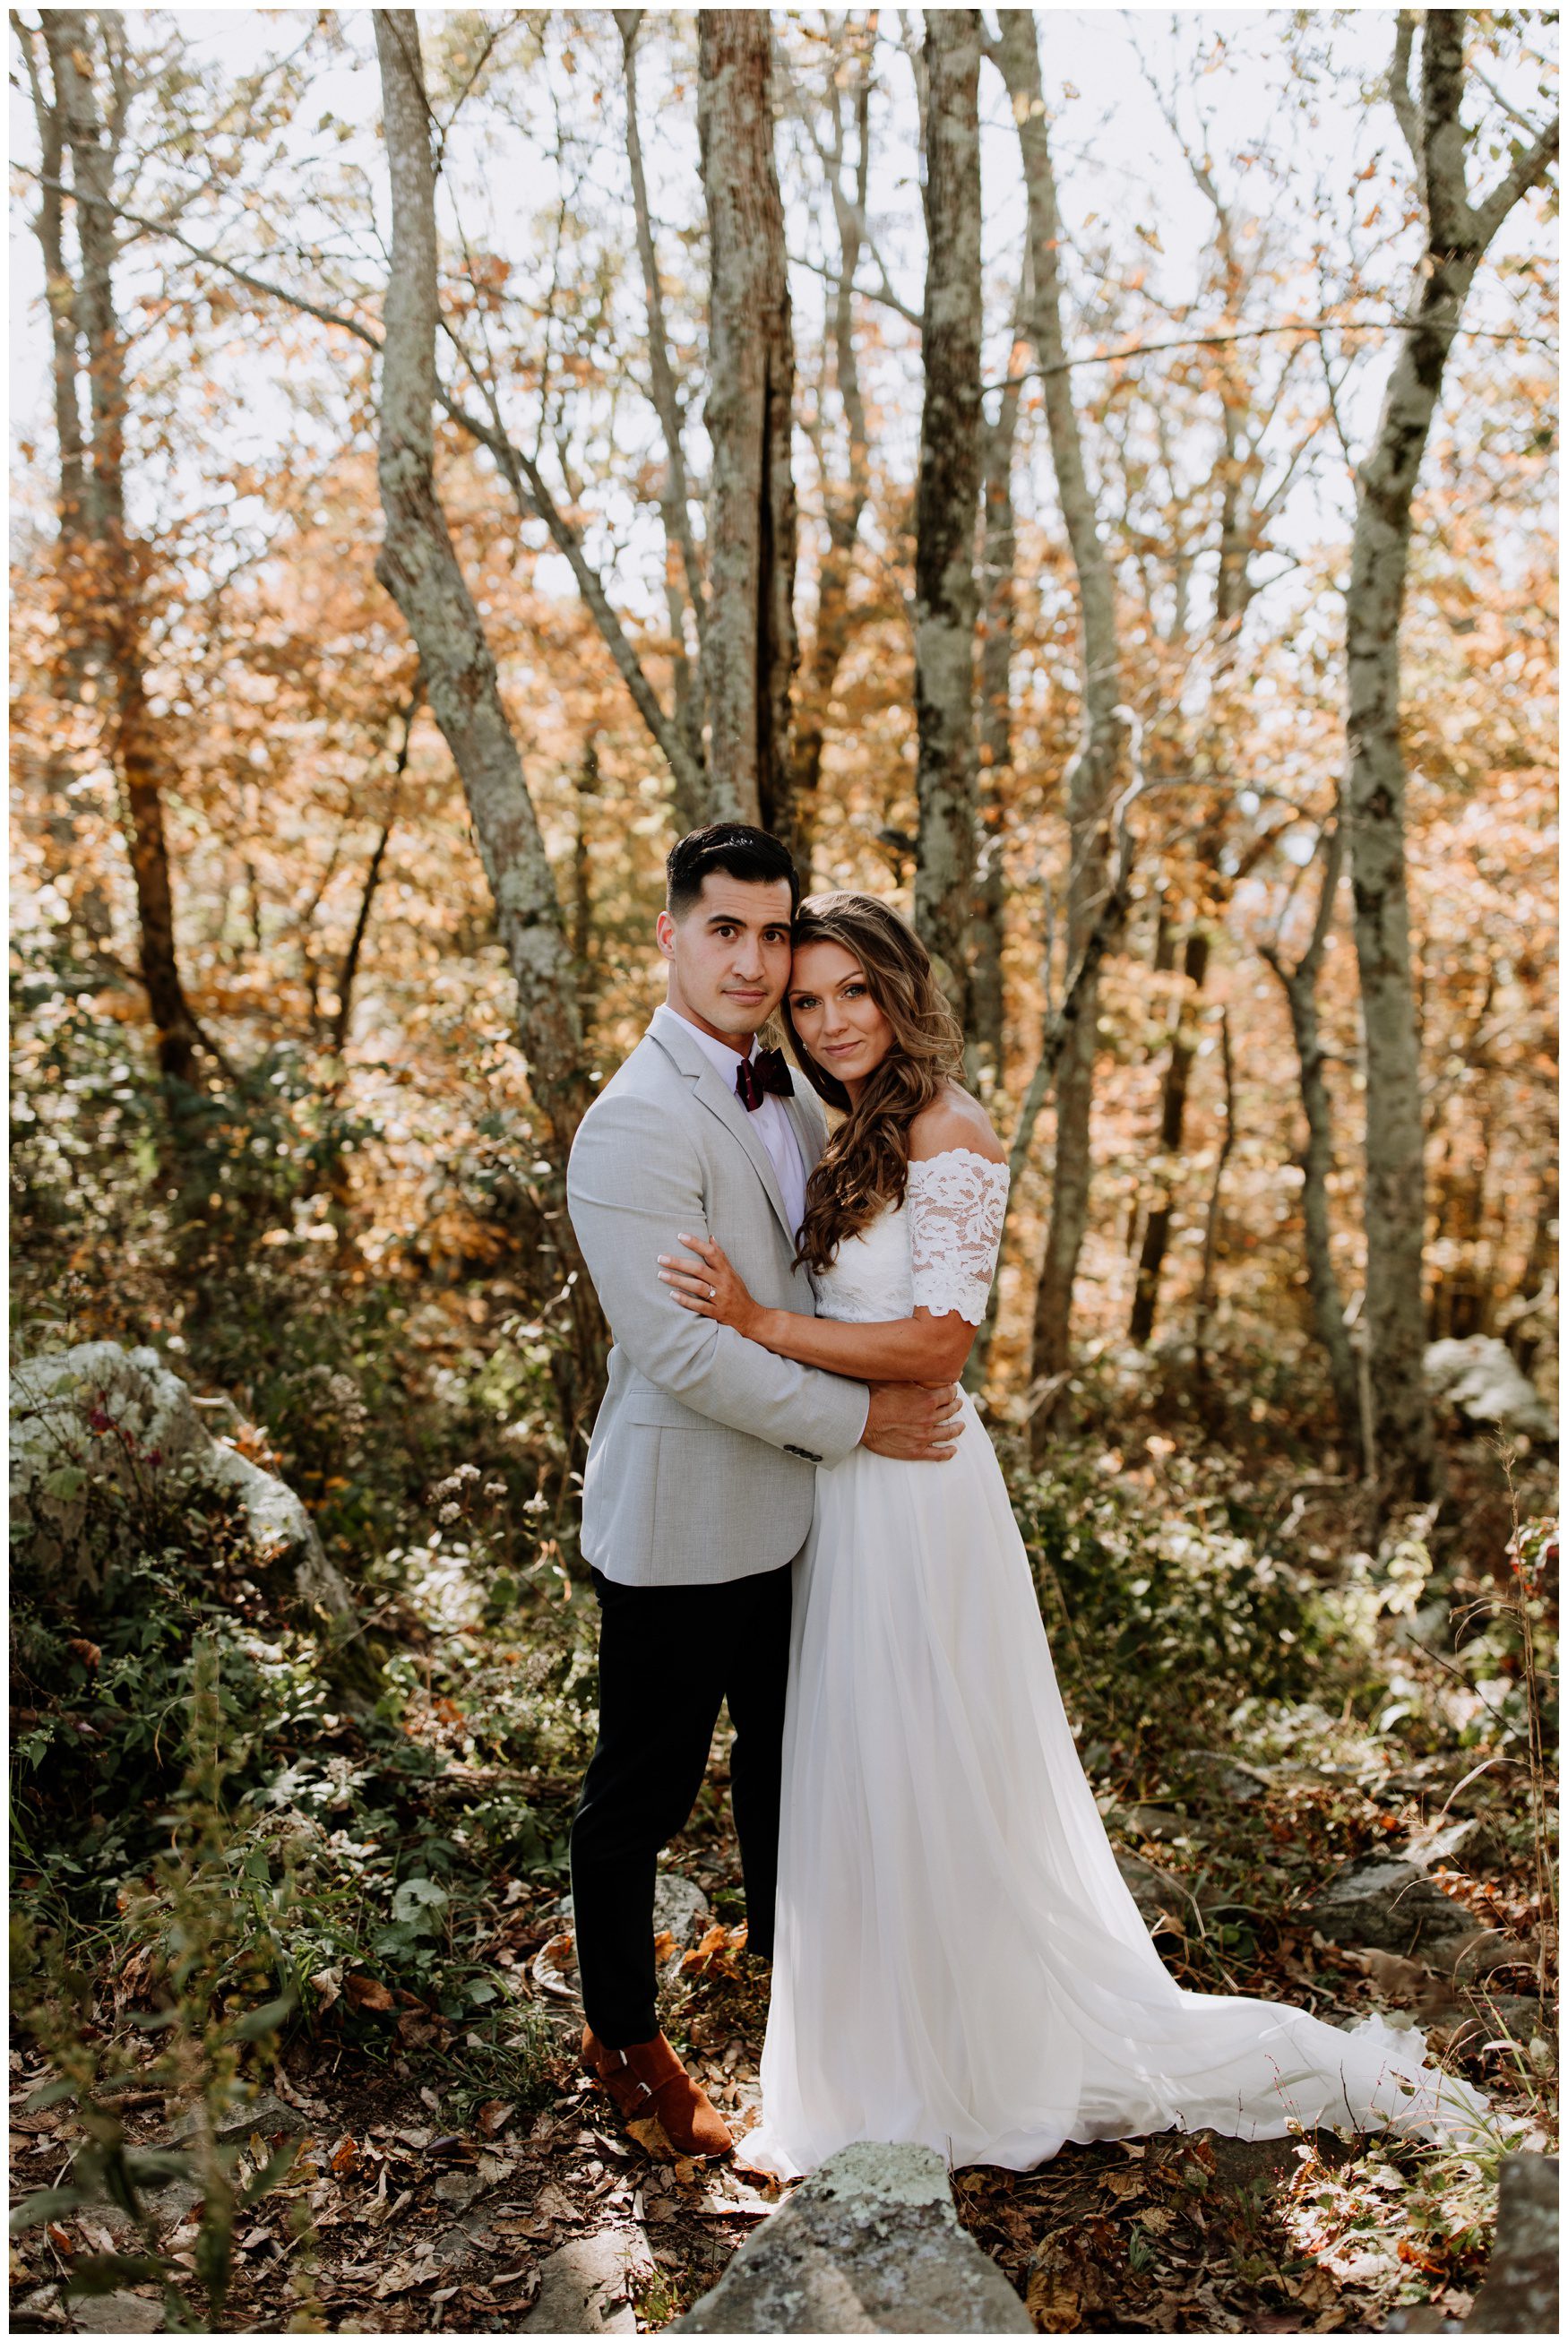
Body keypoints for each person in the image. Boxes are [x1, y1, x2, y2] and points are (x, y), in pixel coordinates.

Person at [655, 887, 1489, 2180]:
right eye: (806, 1000)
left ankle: (959, 2067)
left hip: (922, 1495)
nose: (826, 1021)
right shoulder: (845, 1133)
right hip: (847, 1486)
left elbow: (940, 1341)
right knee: (858, 1769)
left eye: (850, 993)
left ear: (899, 991)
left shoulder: (952, 1129)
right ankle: (873, 2069)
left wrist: (759, 1329)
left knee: (926, 1759)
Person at [564, 827, 962, 2160]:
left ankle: (823, 2053)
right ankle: (623, 2038)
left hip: (813, 1531)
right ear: (671, 937)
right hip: (688, 1515)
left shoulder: (796, 1100)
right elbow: (679, 1352)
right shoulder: (632, 1122)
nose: (753, 958)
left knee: (794, 1790)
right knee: (643, 1793)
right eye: (723, 930)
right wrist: (860, 1421)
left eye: (772, 932)